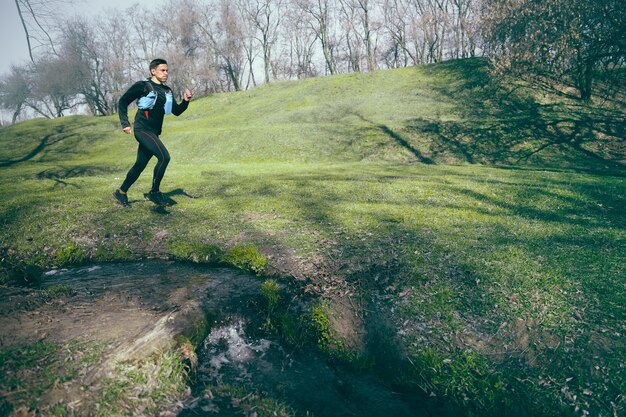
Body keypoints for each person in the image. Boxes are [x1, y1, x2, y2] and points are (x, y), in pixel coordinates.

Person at [113, 58, 193, 207]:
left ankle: (121, 192)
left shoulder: (167, 90)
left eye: (167, 70)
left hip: (154, 132)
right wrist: (125, 123)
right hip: (142, 129)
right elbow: (123, 101)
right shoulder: (143, 86)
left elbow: (176, 111)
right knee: (164, 157)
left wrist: (186, 101)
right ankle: (154, 193)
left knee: (140, 164)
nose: (166, 73)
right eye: (162, 70)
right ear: (153, 71)